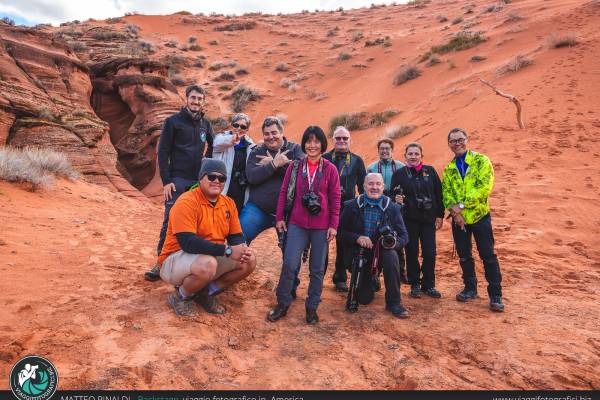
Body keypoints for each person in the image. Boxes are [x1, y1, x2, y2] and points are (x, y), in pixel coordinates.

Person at [158, 159, 256, 316]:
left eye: (221, 178)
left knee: (249, 260)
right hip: (175, 259)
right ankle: (181, 296)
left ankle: (205, 293)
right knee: (208, 264)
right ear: (201, 178)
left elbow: (236, 236)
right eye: (211, 176)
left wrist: (241, 249)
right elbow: (188, 243)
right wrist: (229, 251)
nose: (216, 181)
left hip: (207, 257)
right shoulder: (187, 201)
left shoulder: (228, 203)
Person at [267, 126, 340, 324]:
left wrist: (333, 225)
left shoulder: (330, 169)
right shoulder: (296, 166)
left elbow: (335, 198)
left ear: (322, 145)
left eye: (316, 141)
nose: (312, 145)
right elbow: (284, 192)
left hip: (321, 226)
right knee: (290, 264)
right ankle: (282, 303)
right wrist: (280, 218)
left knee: (317, 269)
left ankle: (311, 307)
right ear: (304, 144)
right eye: (309, 141)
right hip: (297, 223)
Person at [145, 84, 214, 282]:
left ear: (203, 102)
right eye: (193, 98)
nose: (196, 102)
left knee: (198, 221)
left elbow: (212, 145)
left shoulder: (205, 124)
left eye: (200, 99)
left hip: (196, 181)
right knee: (171, 219)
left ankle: (190, 261)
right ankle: (160, 263)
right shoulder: (173, 122)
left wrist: (205, 166)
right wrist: (166, 181)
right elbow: (163, 152)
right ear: (186, 99)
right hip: (177, 180)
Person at [442, 128, 504, 312]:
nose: (457, 143)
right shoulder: (449, 168)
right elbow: (446, 193)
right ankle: (470, 288)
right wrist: (456, 214)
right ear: (449, 144)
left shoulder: (481, 161)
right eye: (453, 141)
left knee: (488, 255)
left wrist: (461, 206)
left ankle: (495, 294)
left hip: (479, 216)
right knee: (464, 256)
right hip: (459, 221)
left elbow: (484, 188)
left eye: (460, 139)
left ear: (467, 140)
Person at [338, 173, 410, 318]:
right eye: (370, 184)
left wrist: (393, 244)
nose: (374, 187)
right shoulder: (351, 206)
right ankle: (372, 279)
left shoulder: (392, 208)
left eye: (378, 184)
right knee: (364, 299)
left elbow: (404, 236)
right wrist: (357, 238)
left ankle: (394, 303)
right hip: (359, 255)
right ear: (363, 186)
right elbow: (340, 232)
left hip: (381, 254)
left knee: (391, 257)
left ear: (383, 187)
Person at [390, 142, 444, 299]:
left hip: (428, 220)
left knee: (430, 252)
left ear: (421, 156)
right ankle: (414, 284)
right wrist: (395, 197)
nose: (413, 157)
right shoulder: (399, 174)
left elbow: (438, 194)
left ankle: (429, 284)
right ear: (405, 156)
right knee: (411, 252)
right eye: (410, 154)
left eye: (416, 154)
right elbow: (391, 194)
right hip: (409, 220)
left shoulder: (430, 172)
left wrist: (440, 215)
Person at [240, 116, 303, 244]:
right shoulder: (257, 151)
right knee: (238, 237)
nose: (271, 137)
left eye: (274, 133)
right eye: (266, 134)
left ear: (281, 133)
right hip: (258, 209)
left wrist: (279, 165)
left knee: (291, 251)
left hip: (287, 212)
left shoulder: (296, 149)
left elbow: (301, 175)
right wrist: (274, 164)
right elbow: (252, 177)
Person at [323, 126, 367, 292]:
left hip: (347, 209)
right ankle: (318, 277)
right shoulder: (325, 158)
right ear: (333, 140)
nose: (341, 141)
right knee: (322, 245)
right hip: (325, 208)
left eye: (345, 138)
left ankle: (340, 278)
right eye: (338, 138)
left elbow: (363, 187)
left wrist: (362, 208)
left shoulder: (357, 160)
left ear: (350, 140)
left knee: (343, 245)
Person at [367, 138, 407, 284]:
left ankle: (401, 272)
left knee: (396, 237)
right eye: (382, 149)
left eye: (387, 148)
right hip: (377, 204)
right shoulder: (371, 167)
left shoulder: (401, 166)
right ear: (378, 151)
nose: (384, 151)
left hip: (395, 207)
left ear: (392, 150)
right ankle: (375, 274)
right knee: (376, 237)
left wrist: (401, 199)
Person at [212, 113, 254, 213]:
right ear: (231, 125)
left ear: (247, 130)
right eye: (236, 125)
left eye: (243, 126)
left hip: (240, 189)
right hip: (223, 186)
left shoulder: (250, 145)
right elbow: (217, 143)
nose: (239, 128)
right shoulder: (222, 138)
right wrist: (232, 140)